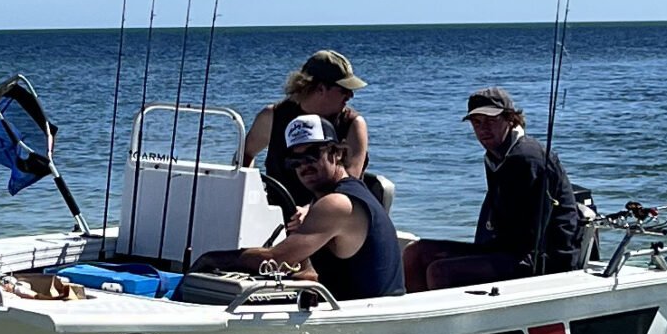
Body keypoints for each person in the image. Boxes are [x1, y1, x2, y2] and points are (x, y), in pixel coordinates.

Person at [193, 114, 404, 301]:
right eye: (294, 160)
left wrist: (211, 259)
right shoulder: (331, 199)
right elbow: (312, 273)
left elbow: (275, 260)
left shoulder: (337, 204)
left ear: (336, 153)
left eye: (312, 154)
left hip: (365, 319)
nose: (304, 166)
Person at [403, 87, 581, 291]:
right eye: (477, 123)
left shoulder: (526, 158)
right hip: (506, 248)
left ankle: (447, 321)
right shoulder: (496, 156)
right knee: (415, 253)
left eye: (490, 121)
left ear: (510, 119)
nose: (483, 129)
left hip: (542, 258)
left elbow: (527, 234)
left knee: (441, 271)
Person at [243, 50, 369, 207]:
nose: (351, 96)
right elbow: (245, 155)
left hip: (334, 215)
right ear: (321, 89)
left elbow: (350, 183)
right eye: (344, 89)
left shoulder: (353, 124)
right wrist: (247, 197)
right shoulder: (272, 117)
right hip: (277, 214)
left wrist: (311, 211)